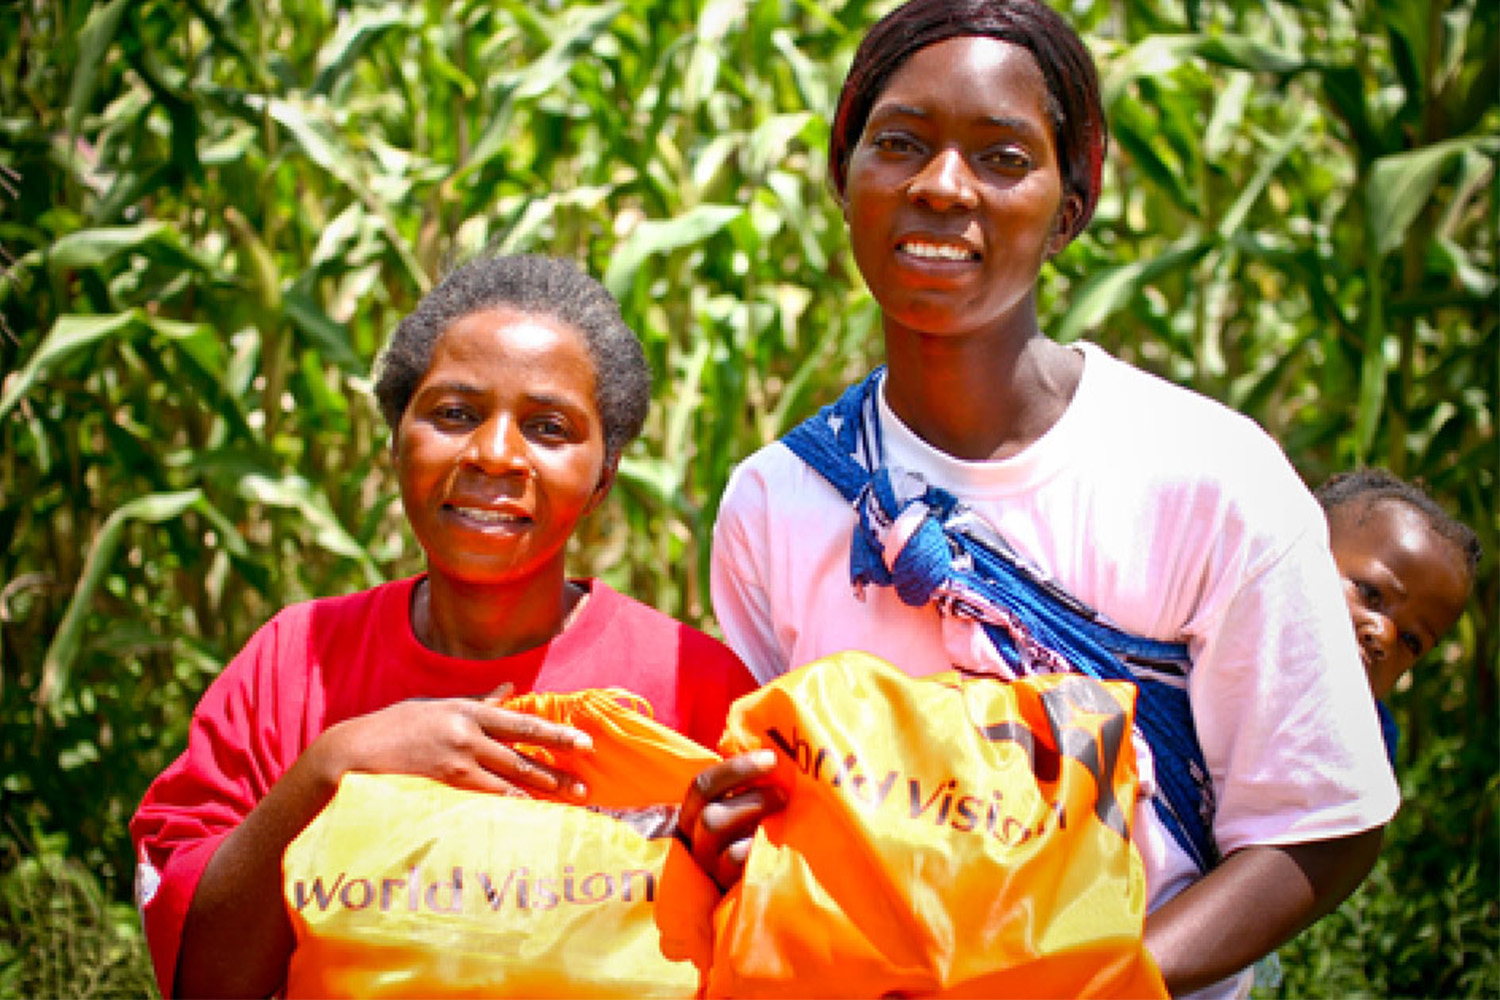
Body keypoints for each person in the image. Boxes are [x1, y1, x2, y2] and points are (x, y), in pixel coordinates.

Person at [691, 1, 1399, 995]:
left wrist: (1103, 979)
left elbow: (1322, 827)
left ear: (1071, 205)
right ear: (843, 180)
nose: (942, 187)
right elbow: (775, 811)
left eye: (1003, 157)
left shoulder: (1208, 478)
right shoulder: (780, 500)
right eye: (898, 144)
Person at [130, 254, 758, 999]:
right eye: (455, 414)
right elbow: (201, 976)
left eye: (549, 428)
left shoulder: (698, 685)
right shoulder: (293, 665)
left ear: (603, 478)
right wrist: (335, 765)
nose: (494, 454)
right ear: (397, 437)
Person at [1316, 468, 1480, 763]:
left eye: (1411, 640)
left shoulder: (1366, 747)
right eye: (1370, 593)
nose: (1383, 635)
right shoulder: (1215, 642)